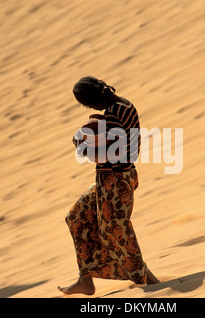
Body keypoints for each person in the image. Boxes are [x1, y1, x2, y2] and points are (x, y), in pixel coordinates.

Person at [58, 76, 159, 296]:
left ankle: (149, 280)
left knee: (116, 228)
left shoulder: (114, 112)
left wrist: (83, 149)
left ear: (92, 102)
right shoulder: (122, 104)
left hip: (116, 180)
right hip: (110, 179)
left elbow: (113, 154)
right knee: (77, 217)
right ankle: (85, 280)